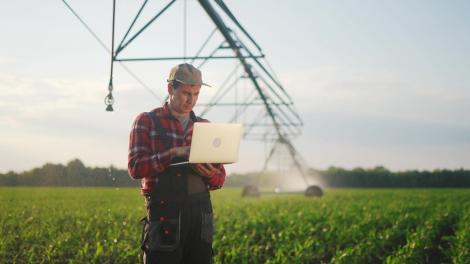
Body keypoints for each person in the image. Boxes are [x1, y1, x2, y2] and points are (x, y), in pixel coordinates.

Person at [128, 63, 226, 263]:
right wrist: (173, 153)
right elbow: (136, 168)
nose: (191, 100)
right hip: (164, 214)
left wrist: (209, 174)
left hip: (200, 215)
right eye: (186, 93)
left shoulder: (205, 127)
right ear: (170, 89)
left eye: (196, 94)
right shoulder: (146, 121)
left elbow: (220, 179)